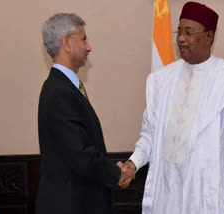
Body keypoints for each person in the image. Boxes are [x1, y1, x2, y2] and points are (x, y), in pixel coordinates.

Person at [121, 2, 224, 214]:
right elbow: (150, 134)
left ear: (209, 37)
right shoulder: (161, 81)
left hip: (208, 192)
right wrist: (132, 164)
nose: (181, 38)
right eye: (179, 32)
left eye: (189, 32)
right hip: (167, 191)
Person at [37, 13, 132, 214]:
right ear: (67, 43)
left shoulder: (63, 88)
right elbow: (81, 156)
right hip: (71, 205)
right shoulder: (58, 92)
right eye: (84, 39)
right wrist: (117, 174)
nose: (89, 47)